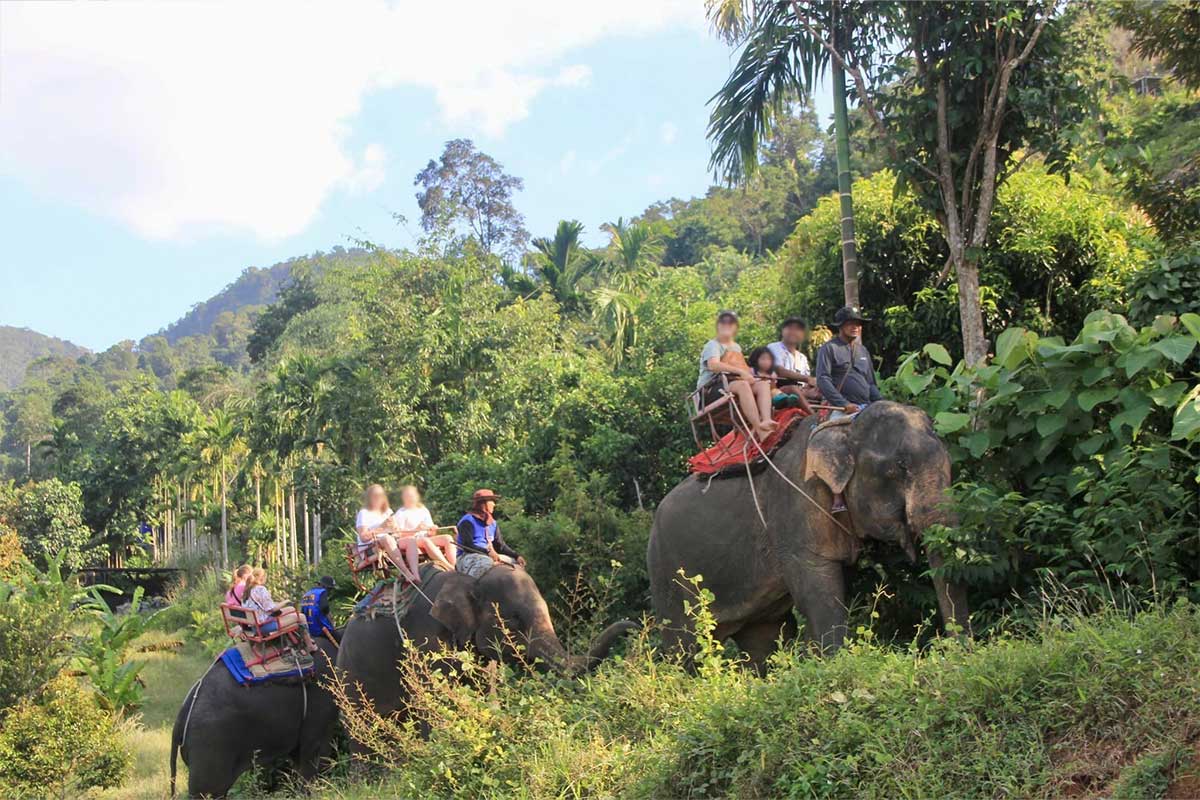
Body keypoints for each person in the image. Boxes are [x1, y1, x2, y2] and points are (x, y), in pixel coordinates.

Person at [814, 305, 883, 512]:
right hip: (842, 408)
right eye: (851, 323)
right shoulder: (829, 349)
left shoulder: (863, 351)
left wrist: (881, 403)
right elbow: (823, 380)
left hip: (866, 407)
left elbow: (871, 383)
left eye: (858, 324)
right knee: (832, 444)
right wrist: (843, 404)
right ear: (841, 326)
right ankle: (837, 496)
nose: (856, 327)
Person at [696, 310, 777, 440]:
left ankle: (766, 420)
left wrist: (762, 374)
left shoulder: (736, 347)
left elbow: (743, 368)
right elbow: (713, 365)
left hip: (732, 383)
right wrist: (740, 372)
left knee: (762, 384)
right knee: (743, 385)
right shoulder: (713, 345)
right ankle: (759, 429)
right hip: (711, 390)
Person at [355, 483, 422, 584]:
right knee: (387, 538)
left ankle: (416, 574)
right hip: (370, 547)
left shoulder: (387, 511)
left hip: (391, 542)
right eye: (375, 495)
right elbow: (364, 536)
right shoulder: (364, 513)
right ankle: (406, 573)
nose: (379, 498)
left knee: (410, 540)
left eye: (381, 495)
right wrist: (382, 527)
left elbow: (397, 533)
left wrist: (394, 528)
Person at [456, 489, 524, 579]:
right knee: (485, 563)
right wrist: (487, 553)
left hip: (489, 555)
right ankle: (468, 588)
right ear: (483, 504)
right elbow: (468, 546)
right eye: (491, 501)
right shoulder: (467, 521)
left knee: (515, 563)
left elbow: (500, 546)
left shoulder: (492, 523)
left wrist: (516, 556)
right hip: (468, 556)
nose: (494, 504)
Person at [391, 485, 456, 569]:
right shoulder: (401, 513)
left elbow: (431, 533)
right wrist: (416, 530)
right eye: (408, 496)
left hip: (425, 537)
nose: (411, 498)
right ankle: (448, 566)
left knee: (448, 538)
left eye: (412, 496)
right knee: (425, 541)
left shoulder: (423, 510)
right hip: (412, 540)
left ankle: (454, 565)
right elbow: (398, 534)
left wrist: (432, 530)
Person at [768, 317, 817, 412]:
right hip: (777, 389)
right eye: (790, 328)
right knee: (793, 389)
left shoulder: (802, 357)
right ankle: (812, 415)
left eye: (798, 329)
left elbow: (807, 382)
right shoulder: (773, 348)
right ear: (783, 331)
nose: (793, 332)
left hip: (800, 389)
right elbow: (779, 370)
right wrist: (806, 379)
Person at [300, 576, 337, 640]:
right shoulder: (322, 592)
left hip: (309, 631)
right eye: (330, 589)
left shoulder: (306, 594)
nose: (330, 592)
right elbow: (324, 607)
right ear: (326, 587)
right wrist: (331, 622)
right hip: (321, 629)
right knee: (340, 639)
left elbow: (302, 613)